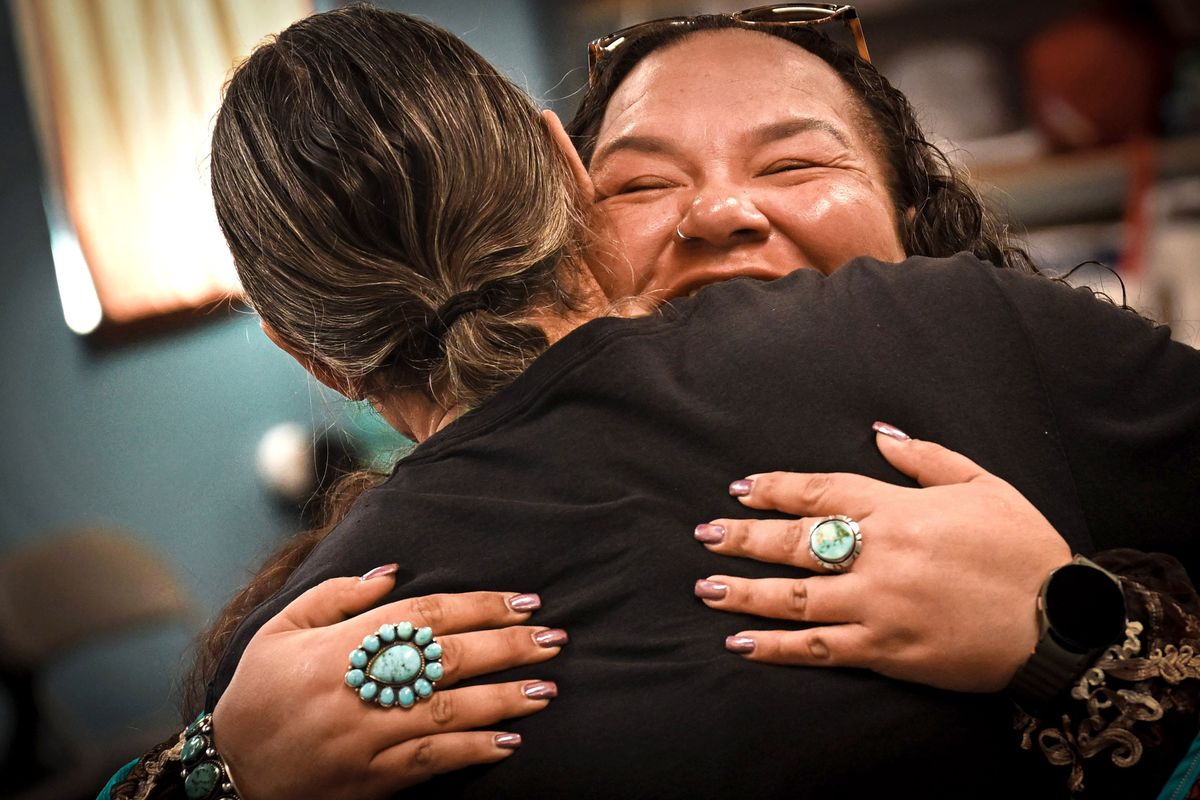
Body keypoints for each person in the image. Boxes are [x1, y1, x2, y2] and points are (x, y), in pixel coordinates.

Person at [105, 6, 1200, 800]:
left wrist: (1076, 629)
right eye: (642, 179)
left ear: (309, 351)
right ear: (563, 178)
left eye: (796, 160)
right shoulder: (294, 676)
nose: (722, 211)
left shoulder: (1005, 343)